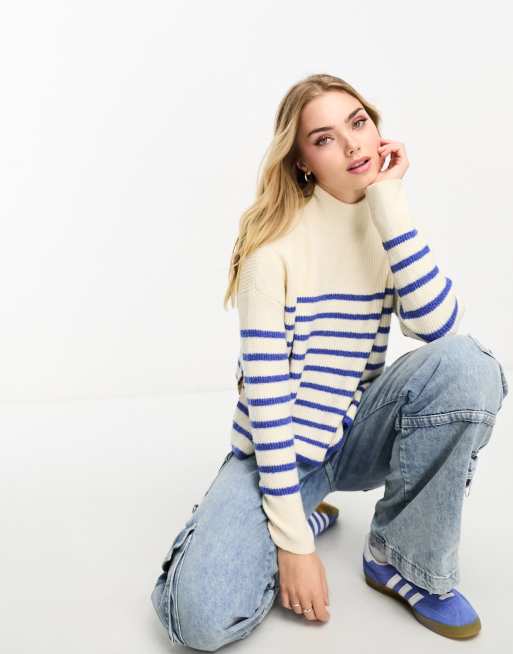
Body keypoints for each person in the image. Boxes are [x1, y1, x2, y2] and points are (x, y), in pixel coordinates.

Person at [150, 73, 509, 649]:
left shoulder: (385, 224)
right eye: (324, 139)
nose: (351, 145)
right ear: (302, 162)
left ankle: (400, 560)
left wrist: (389, 203)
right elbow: (267, 403)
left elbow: (440, 330)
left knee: (469, 366)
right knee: (200, 618)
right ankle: (293, 513)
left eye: (357, 123)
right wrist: (293, 547)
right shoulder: (273, 250)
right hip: (280, 450)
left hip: (355, 434)